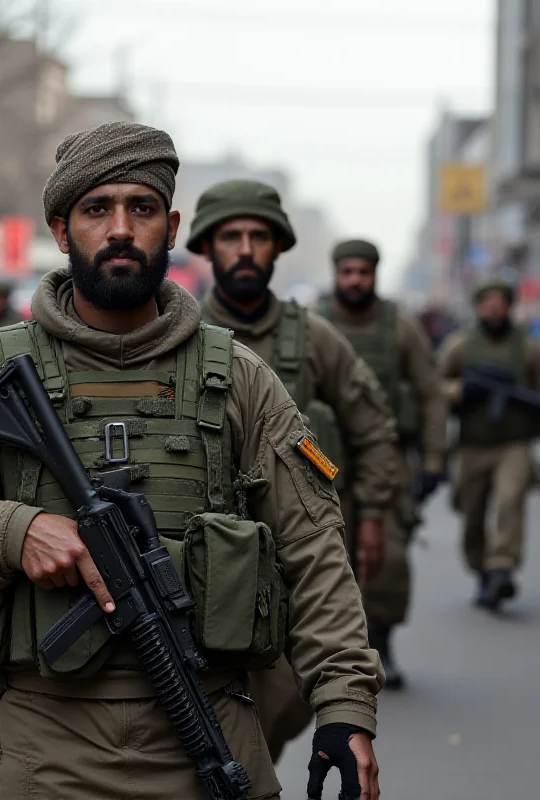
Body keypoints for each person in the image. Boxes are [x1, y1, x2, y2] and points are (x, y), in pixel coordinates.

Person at [0, 122, 382, 800]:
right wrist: (16, 532)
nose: (121, 228)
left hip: (209, 732)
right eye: (97, 209)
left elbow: (315, 553)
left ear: (172, 225)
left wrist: (346, 709)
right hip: (46, 747)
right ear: (62, 231)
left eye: (141, 208)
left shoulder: (240, 377)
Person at [186, 179, 399, 761]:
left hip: (294, 562)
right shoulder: (181, 340)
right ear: (207, 247)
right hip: (207, 576)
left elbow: (372, 425)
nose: (247, 249)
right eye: (232, 236)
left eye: (259, 236)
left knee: (272, 714)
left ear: (278, 248)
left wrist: (375, 514)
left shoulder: (314, 340)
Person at [319, 238, 446, 689]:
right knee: (324, 559)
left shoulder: (399, 328)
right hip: (321, 460)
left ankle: (383, 642)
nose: (355, 280)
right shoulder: (314, 324)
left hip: (386, 457)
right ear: (336, 274)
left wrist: (433, 459)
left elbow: (431, 393)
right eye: (347, 271)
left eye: (364, 272)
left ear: (375, 275)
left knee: (386, 560)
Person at [439, 278, 540, 610]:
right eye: (488, 303)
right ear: (478, 306)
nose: (494, 309)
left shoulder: (527, 347)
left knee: (510, 501)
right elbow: (432, 384)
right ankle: (483, 572)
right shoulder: (460, 346)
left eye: (500, 303)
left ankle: (502, 568)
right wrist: (457, 392)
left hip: (514, 443)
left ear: (509, 307)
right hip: (472, 445)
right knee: (472, 514)